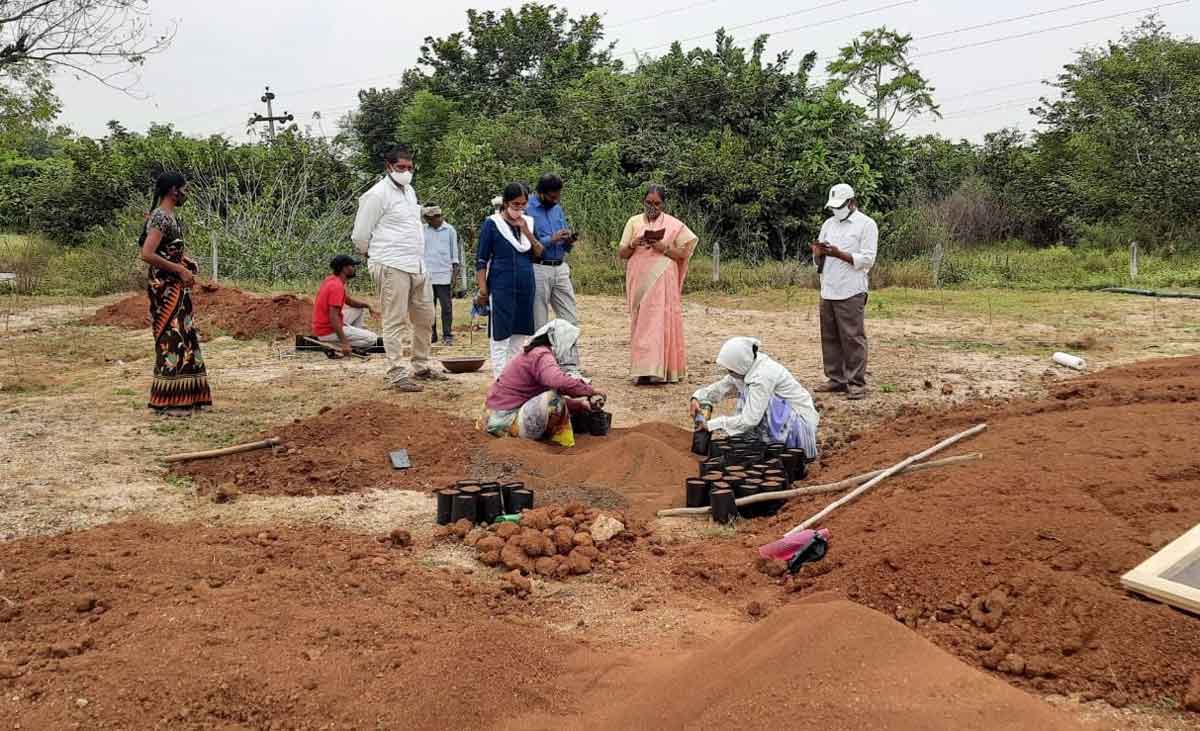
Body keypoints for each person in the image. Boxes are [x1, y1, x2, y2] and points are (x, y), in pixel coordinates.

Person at [352, 143, 443, 392]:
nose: (406, 172)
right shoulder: (377, 194)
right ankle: (396, 372)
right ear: (389, 167)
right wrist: (372, 254)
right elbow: (360, 234)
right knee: (395, 320)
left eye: (409, 168)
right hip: (391, 263)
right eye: (401, 167)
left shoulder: (409, 191)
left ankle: (421, 365)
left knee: (425, 318)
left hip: (417, 263)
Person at [138, 171, 212, 416]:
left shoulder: (170, 217)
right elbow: (147, 254)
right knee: (172, 337)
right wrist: (179, 269)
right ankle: (170, 402)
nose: (186, 193)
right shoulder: (160, 217)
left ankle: (189, 397)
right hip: (165, 288)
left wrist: (186, 262)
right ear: (173, 190)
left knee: (185, 335)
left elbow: (167, 250)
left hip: (177, 286)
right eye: (184, 189)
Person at [618, 184, 699, 384]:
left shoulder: (673, 224)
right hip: (639, 279)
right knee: (642, 322)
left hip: (663, 279)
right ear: (643, 202)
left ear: (663, 204)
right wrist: (634, 243)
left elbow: (684, 252)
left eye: (657, 203)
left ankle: (662, 371)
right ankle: (642, 370)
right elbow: (622, 253)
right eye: (649, 202)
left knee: (660, 321)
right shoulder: (634, 222)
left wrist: (663, 248)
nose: (652, 207)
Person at [689, 337, 820, 459]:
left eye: (731, 370)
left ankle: (785, 453)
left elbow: (750, 420)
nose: (729, 372)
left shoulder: (762, 377)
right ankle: (763, 448)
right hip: (784, 421)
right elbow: (721, 388)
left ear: (739, 364)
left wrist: (711, 425)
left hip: (800, 428)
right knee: (748, 396)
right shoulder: (748, 366)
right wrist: (697, 398)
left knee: (754, 403)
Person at [483, 319, 603, 447]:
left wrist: (580, 405)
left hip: (493, 419)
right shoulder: (542, 355)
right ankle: (562, 445)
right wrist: (590, 391)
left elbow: (538, 398)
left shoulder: (535, 352)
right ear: (560, 340)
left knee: (552, 398)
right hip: (505, 422)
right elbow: (558, 383)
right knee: (553, 398)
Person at [810, 183, 878, 400]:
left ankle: (856, 383)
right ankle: (836, 379)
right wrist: (818, 253)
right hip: (828, 288)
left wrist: (839, 254)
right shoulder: (828, 224)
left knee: (852, 338)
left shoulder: (866, 224)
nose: (835, 210)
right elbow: (818, 262)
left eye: (839, 206)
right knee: (829, 337)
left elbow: (868, 259)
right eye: (833, 207)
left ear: (851, 202)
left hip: (851, 290)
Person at [476, 182, 542, 379]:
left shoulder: (528, 223)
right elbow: (481, 259)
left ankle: (514, 379)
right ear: (505, 203)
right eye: (515, 204)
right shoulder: (492, 224)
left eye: (523, 204)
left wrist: (527, 232)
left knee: (519, 335)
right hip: (501, 285)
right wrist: (483, 289)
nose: (519, 208)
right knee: (501, 334)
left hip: (525, 285)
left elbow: (539, 253)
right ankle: (500, 380)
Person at [527, 173, 581, 370]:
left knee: (570, 317)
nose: (555, 200)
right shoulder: (528, 210)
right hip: (538, 267)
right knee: (540, 320)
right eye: (551, 196)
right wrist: (552, 239)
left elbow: (564, 242)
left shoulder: (557, 208)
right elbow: (527, 245)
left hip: (560, 266)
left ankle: (570, 365)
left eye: (558, 196)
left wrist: (568, 240)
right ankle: (541, 366)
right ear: (541, 193)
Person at [313, 254, 378, 356]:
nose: (354, 269)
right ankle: (336, 345)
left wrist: (367, 305)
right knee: (372, 338)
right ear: (344, 269)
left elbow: (350, 302)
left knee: (359, 309)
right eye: (352, 266)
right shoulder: (337, 287)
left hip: (322, 325)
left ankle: (350, 338)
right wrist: (344, 342)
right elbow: (333, 317)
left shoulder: (331, 280)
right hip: (327, 330)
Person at [423, 205, 460, 346]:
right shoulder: (423, 230)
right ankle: (432, 335)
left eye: (430, 219)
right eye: (427, 219)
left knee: (446, 307)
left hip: (444, 275)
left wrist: (454, 277)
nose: (428, 221)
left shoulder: (450, 230)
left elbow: (455, 256)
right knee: (429, 308)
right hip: (427, 275)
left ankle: (447, 334)